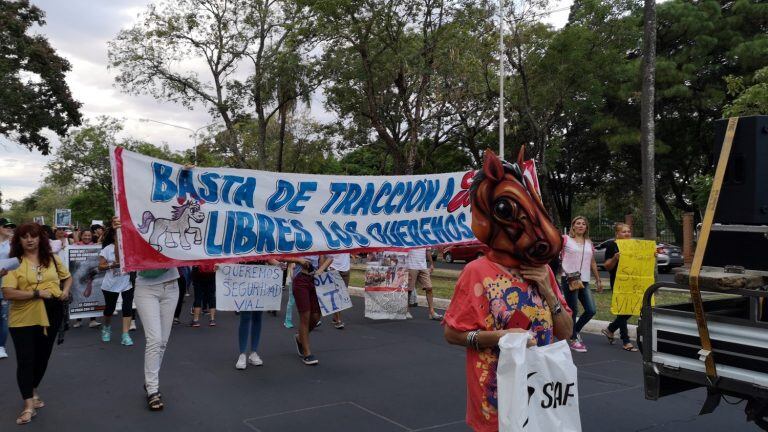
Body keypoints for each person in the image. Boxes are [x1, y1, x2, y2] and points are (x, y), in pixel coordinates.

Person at [443, 149, 573, 432]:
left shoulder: (543, 272)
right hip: (495, 400)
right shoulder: (477, 273)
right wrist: (501, 337)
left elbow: (565, 333)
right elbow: (452, 334)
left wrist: (550, 295)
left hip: (541, 397)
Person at [2, 223, 72, 425]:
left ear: (41, 238)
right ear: (19, 240)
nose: (30, 240)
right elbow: (8, 292)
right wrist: (36, 293)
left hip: (52, 313)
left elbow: (67, 278)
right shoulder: (13, 263)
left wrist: (65, 291)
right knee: (26, 360)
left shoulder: (52, 259)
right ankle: (28, 405)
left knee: (42, 358)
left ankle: (32, 390)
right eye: (25, 237)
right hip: (23, 317)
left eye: (34, 236)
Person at [113, 218, 179, 410]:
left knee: (163, 341)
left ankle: (150, 381)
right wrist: (119, 234)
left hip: (172, 286)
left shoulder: (168, 221)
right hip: (146, 288)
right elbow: (121, 260)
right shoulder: (132, 225)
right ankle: (153, 389)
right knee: (155, 339)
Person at [559, 216, 603, 353]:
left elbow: (593, 262)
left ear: (586, 227)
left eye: (583, 224)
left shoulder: (589, 242)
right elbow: (555, 255)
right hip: (569, 278)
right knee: (573, 309)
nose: (581, 225)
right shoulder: (565, 239)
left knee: (591, 310)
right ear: (573, 226)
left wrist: (598, 279)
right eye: (578, 223)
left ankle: (575, 330)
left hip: (584, 279)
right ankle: (573, 339)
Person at [235, 259, 280, 370]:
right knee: (245, 316)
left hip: (261, 280)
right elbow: (233, 255)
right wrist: (221, 266)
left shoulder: (262, 242)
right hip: (244, 279)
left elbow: (267, 256)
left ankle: (253, 352)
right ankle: (242, 354)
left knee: (257, 317)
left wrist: (278, 264)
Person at [601, 223, 639, 352]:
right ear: (617, 234)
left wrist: (651, 255)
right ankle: (626, 341)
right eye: (624, 232)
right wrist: (615, 258)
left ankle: (610, 329)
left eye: (628, 231)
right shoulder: (612, 245)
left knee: (631, 309)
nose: (627, 234)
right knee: (624, 309)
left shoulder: (634, 245)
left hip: (632, 282)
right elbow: (607, 266)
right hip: (618, 281)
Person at [288, 255, 331, 366]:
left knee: (316, 316)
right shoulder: (295, 238)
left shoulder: (321, 239)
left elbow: (330, 257)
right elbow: (283, 256)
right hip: (301, 279)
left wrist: (320, 270)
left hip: (316, 280)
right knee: (305, 316)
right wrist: (299, 260)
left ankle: (300, 337)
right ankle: (307, 353)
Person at [97, 227, 134, 346]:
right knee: (110, 309)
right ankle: (106, 328)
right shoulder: (107, 249)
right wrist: (111, 265)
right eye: (118, 234)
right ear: (113, 236)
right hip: (110, 285)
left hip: (126, 282)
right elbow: (100, 267)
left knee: (127, 308)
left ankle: (125, 334)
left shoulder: (129, 247)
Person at [406, 247, 442, 320]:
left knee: (429, 288)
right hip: (411, 266)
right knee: (409, 290)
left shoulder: (425, 237)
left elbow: (428, 252)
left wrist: (431, 264)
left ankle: (432, 313)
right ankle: (406, 311)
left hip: (423, 267)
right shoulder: (410, 235)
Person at [0, 217, 17, 359]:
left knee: (3, 317)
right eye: (6, 226)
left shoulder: (13, 244)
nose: (9, 228)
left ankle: (1, 347)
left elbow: (17, 262)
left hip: (5, 284)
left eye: (11, 227)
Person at [327, 253, 351, 329]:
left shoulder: (348, 241)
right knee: (337, 295)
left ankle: (335, 317)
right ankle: (338, 320)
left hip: (346, 270)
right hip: (334, 268)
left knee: (342, 295)